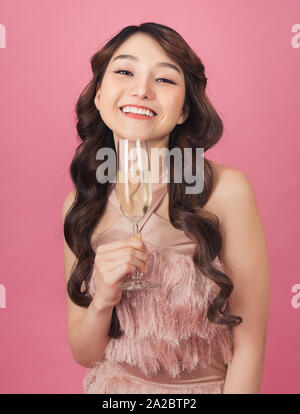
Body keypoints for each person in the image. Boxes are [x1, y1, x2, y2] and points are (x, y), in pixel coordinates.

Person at [62, 22, 270, 394]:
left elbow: (249, 346)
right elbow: (86, 353)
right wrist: (104, 298)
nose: (141, 90)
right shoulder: (81, 205)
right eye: (124, 72)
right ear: (98, 96)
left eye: (165, 80)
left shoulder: (226, 191)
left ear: (184, 111)